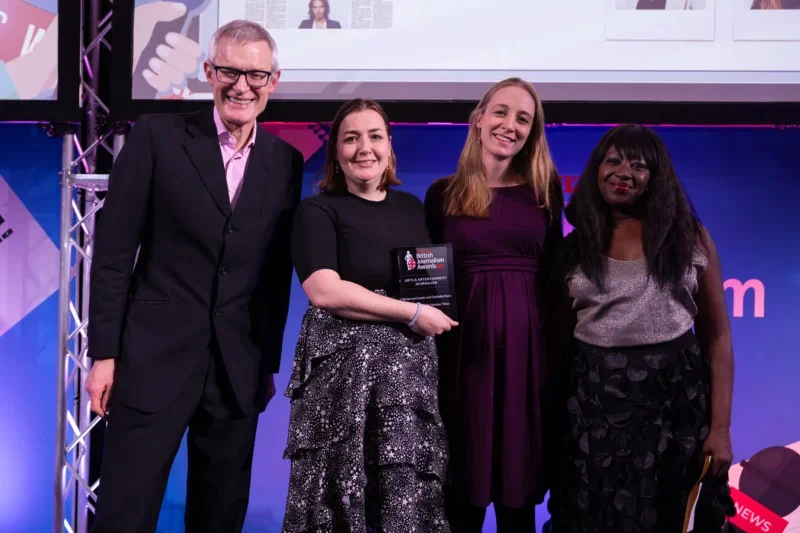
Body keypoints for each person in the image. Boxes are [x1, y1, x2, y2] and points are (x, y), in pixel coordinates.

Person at [85, 20, 303, 533]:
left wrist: (265, 363)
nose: (241, 86)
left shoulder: (286, 163)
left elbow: (275, 274)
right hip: (150, 360)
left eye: (255, 74)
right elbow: (115, 252)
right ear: (208, 72)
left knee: (220, 517)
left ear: (274, 80)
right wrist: (105, 355)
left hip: (237, 370)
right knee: (123, 513)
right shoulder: (157, 137)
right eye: (229, 71)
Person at [546, 124, 735, 532]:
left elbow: (718, 337)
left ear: (656, 178)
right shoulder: (573, 249)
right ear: (596, 171)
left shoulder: (691, 240)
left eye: (638, 164)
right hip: (592, 415)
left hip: (675, 414)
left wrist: (720, 429)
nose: (623, 171)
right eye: (613, 160)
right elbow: (558, 351)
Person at [281, 98, 455, 532]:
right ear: (336, 151)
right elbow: (325, 290)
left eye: (375, 136)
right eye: (351, 138)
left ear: (389, 146)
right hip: (343, 382)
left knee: (402, 494)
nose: (364, 148)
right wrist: (412, 314)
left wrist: (428, 311)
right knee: (337, 492)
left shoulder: (412, 208)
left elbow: (427, 281)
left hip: (406, 382)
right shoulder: (317, 210)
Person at [424, 77, 564, 532]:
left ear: (533, 131)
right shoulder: (441, 194)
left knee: (518, 501)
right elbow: (429, 285)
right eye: (501, 112)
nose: (510, 125)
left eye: (524, 118)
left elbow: (553, 278)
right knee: (462, 497)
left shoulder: (545, 191)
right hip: (463, 359)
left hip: (529, 362)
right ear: (479, 119)